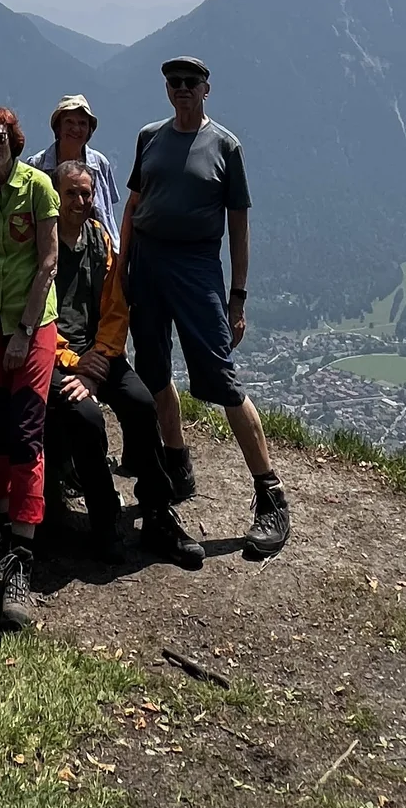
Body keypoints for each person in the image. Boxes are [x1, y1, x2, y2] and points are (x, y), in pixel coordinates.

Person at [121, 55, 291, 562]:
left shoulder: (225, 145)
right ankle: (177, 465)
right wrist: (122, 269)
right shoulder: (149, 136)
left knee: (220, 379)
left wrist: (238, 295)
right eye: (173, 82)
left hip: (197, 267)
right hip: (148, 262)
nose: (181, 89)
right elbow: (133, 204)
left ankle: (271, 495)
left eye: (190, 82)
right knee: (152, 370)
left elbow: (238, 224)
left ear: (207, 89)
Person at [43, 159, 202, 567]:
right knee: (86, 417)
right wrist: (75, 361)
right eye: (71, 193)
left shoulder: (100, 240)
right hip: (56, 357)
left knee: (140, 402)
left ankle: (157, 511)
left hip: (98, 354)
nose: (80, 200)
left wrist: (100, 354)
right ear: (55, 197)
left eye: (86, 192)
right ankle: (104, 517)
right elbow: (39, 316)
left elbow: (116, 307)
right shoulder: (41, 244)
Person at [0, 105, 61, 631]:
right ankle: (3, 527)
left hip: (31, 324)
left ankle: (23, 550)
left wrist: (23, 331)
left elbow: (47, 261)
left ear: (13, 140)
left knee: (26, 433)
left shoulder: (40, 187)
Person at [29, 95, 120, 235]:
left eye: (82, 123)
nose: (76, 129)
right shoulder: (37, 165)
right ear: (58, 127)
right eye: (69, 122)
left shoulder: (100, 164)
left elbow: (108, 211)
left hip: (97, 248)